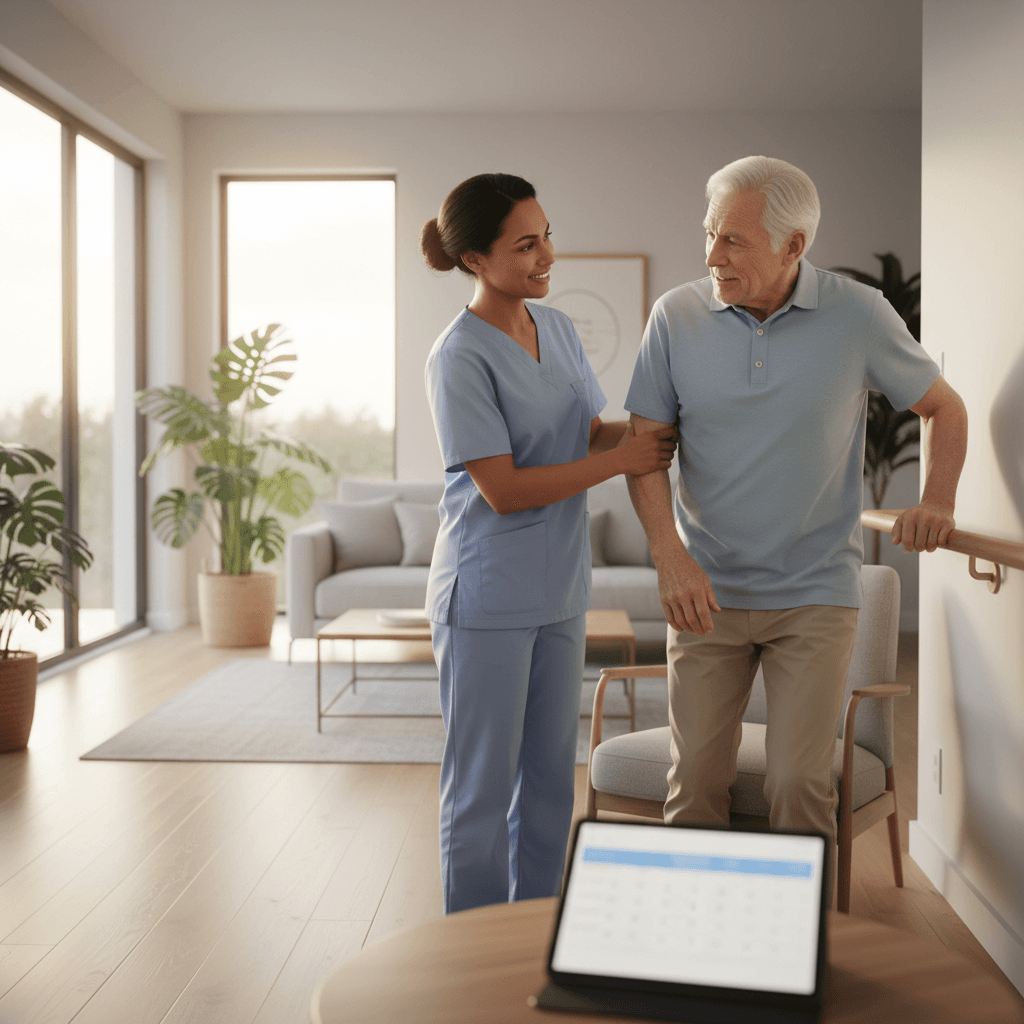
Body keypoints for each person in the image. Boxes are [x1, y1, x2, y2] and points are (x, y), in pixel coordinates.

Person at [624, 156, 968, 888]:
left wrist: (937, 499)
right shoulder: (676, 318)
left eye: (734, 242)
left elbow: (945, 407)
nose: (712, 256)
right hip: (704, 591)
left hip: (814, 594)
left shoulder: (859, 314)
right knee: (694, 790)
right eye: (710, 235)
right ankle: (696, 955)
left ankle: (791, 964)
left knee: (797, 790)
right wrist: (669, 556)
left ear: (794, 245)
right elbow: (643, 449)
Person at [420, 173, 676, 915]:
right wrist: (620, 462)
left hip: (561, 590)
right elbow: (501, 488)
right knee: (480, 792)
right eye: (525, 245)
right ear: (474, 258)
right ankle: (470, 947)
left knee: (547, 781)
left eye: (547, 235)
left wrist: (660, 427)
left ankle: (534, 932)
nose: (547, 256)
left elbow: (588, 433)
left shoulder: (556, 329)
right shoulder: (458, 355)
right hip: (487, 593)